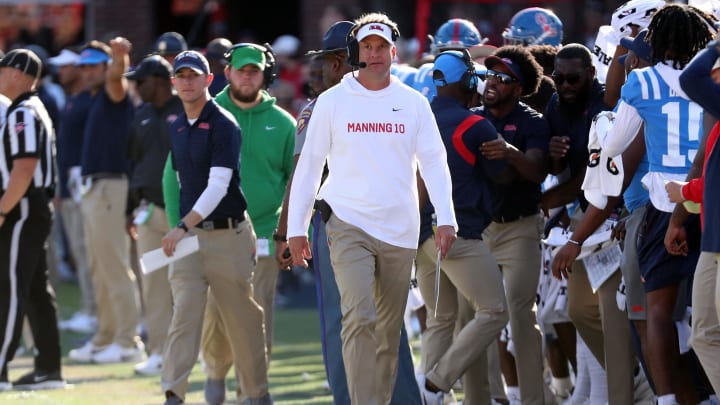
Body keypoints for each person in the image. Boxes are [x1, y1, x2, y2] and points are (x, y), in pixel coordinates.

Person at [287, 12, 457, 405]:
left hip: (400, 231)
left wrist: (446, 218)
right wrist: (296, 228)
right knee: (358, 317)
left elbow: (434, 161)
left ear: (394, 52)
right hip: (347, 225)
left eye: (382, 47)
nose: (376, 54)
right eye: (368, 47)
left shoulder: (414, 103)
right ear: (355, 52)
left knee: (387, 331)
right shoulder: (331, 102)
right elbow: (310, 166)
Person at [602, 5, 713, 404]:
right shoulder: (711, 77)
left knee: (660, 313)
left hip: (665, 204)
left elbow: (613, 146)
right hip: (709, 197)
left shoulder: (644, 80)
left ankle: (667, 398)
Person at [160, 50, 271, 405]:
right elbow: (180, 181)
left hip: (229, 236)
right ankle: (173, 394)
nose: (188, 81)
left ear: (209, 80)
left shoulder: (224, 124)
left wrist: (181, 226)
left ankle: (256, 395)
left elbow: (218, 184)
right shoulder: (176, 127)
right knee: (184, 317)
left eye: (195, 75)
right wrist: (182, 228)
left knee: (243, 322)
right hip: (191, 239)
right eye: (182, 75)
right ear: (174, 82)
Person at [542, 43, 637, 405]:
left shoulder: (607, 105)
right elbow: (564, 170)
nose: (564, 85)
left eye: (573, 78)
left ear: (591, 75)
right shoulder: (555, 104)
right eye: (558, 78)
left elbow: (601, 177)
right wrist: (553, 157)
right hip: (586, 213)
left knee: (612, 311)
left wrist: (553, 207)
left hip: (616, 212)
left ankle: (629, 385)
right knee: (578, 309)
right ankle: (632, 370)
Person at [414, 49, 510, 405]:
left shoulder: (417, 116)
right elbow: (500, 175)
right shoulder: (474, 124)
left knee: (440, 319)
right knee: (495, 310)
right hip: (457, 232)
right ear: (468, 80)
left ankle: (429, 393)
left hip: (420, 233)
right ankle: (436, 384)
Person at [201, 42, 295, 404]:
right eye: (240, 70)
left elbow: (294, 181)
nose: (246, 76)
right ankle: (214, 374)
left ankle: (252, 393)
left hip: (265, 234)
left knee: (258, 317)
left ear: (264, 73)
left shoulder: (284, 123)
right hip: (215, 232)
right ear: (227, 73)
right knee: (217, 315)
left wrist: (289, 233)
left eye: (253, 70)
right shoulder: (208, 115)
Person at [473, 45, 549, 405]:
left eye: (503, 78)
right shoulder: (471, 116)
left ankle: (534, 398)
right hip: (480, 229)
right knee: (483, 315)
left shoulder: (533, 121)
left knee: (520, 315)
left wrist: (509, 152)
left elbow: (537, 171)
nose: (492, 83)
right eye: (490, 74)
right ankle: (490, 398)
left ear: (519, 88)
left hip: (520, 226)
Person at [67, 39, 144, 364]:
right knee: (99, 268)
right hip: (94, 189)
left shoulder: (115, 93)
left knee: (114, 266)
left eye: (93, 66)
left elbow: (116, 77)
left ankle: (128, 341)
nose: (86, 72)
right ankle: (106, 335)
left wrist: (120, 56)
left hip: (112, 187)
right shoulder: (93, 99)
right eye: (83, 66)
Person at [0, 48, 64, 390]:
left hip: (23, 205)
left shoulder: (23, 111)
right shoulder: (25, 108)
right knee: (37, 288)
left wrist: (2, 209)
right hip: (30, 204)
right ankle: (48, 368)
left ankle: (0, 364)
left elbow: (24, 168)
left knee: (10, 286)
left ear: (17, 72)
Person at [124, 55, 183, 376]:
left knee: (187, 284)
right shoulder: (141, 114)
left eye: (141, 80)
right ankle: (159, 351)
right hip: (148, 211)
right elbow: (132, 164)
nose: (136, 86)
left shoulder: (184, 110)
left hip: (183, 216)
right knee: (155, 285)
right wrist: (128, 210)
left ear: (160, 81)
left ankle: (194, 349)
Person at [672, 33, 720, 395]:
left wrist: (717, 45)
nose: (714, 77)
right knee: (703, 333)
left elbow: (691, 78)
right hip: (712, 240)